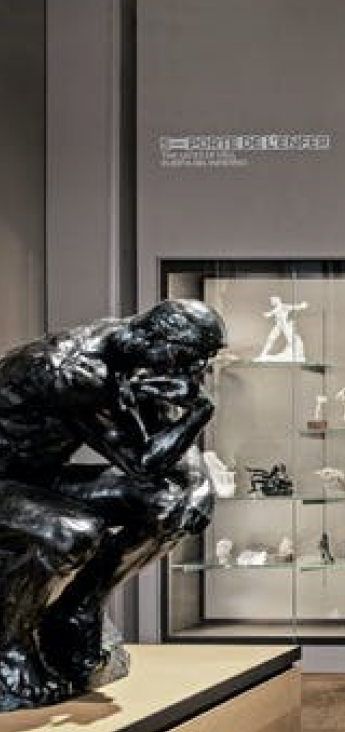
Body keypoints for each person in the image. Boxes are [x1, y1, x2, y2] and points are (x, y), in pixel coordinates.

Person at [0, 299, 225, 709]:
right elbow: (144, 463)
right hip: (7, 483)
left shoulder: (134, 352)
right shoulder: (77, 371)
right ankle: (10, 647)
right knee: (73, 532)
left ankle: (78, 609)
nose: (194, 372)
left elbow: (163, 443)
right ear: (160, 342)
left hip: (35, 477)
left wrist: (199, 484)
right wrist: (198, 413)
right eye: (189, 360)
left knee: (169, 504)